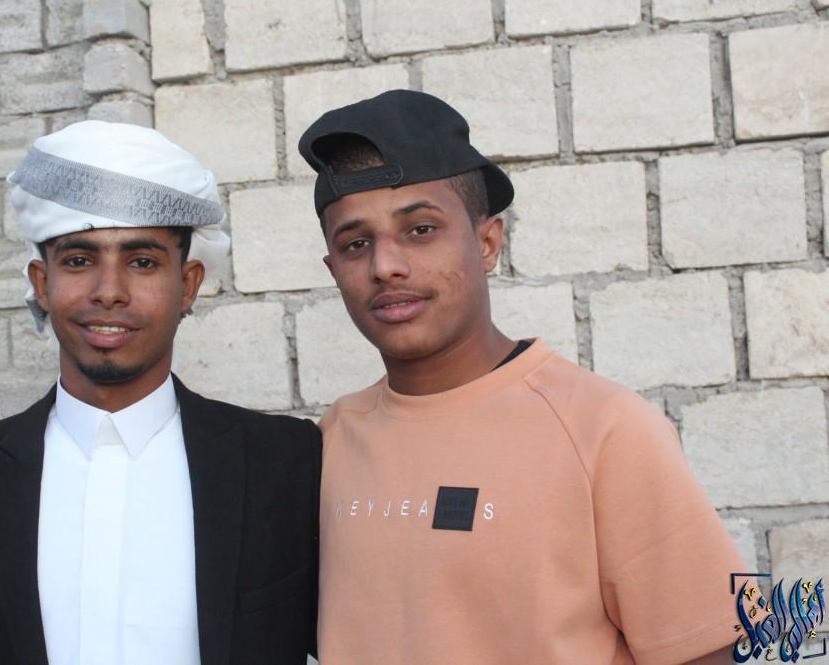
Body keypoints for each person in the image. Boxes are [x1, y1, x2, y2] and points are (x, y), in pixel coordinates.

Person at [297, 90, 746, 664]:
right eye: (356, 244)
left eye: (421, 230)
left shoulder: (602, 428)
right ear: (334, 269)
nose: (385, 265)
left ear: (487, 243)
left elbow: (708, 650)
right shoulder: (333, 438)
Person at [0, 121, 320, 665]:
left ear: (188, 285)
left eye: (142, 262)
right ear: (42, 283)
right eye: (80, 261)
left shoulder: (285, 464)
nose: (109, 292)